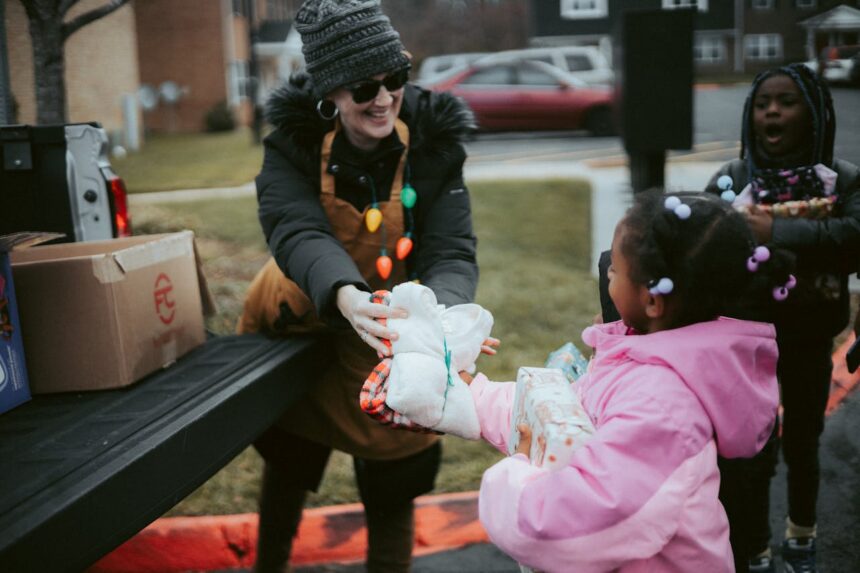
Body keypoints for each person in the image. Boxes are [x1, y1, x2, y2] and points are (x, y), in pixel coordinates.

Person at [236, 1, 479, 571]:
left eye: (395, 78)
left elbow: (451, 250)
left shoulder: (433, 138)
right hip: (306, 312)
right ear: (331, 93)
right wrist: (344, 295)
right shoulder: (293, 143)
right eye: (365, 87)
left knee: (399, 467)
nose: (384, 98)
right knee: (290, 463)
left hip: (393, 325)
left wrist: (439, 320)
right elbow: (295, 230)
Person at [463, 190, 792, 572]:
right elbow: (565, 412)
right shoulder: (639, 358)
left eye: (614, 270)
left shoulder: (662, 404)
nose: (607, 275)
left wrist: (516, 475)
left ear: (653, 301)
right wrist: (473, 394)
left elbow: (575, 524)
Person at [706, 63, 860, 573]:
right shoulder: (730, 180)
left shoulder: (845, 181)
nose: (771, 110)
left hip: (810, 335)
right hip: (744, 346)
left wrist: (776, 231)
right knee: (750, 453)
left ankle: (802, 537)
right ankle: (754, 549)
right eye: (763, 102)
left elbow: (852, 238)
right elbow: (697, 256)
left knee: (802, 442)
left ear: (815, 114)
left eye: (787, 101)